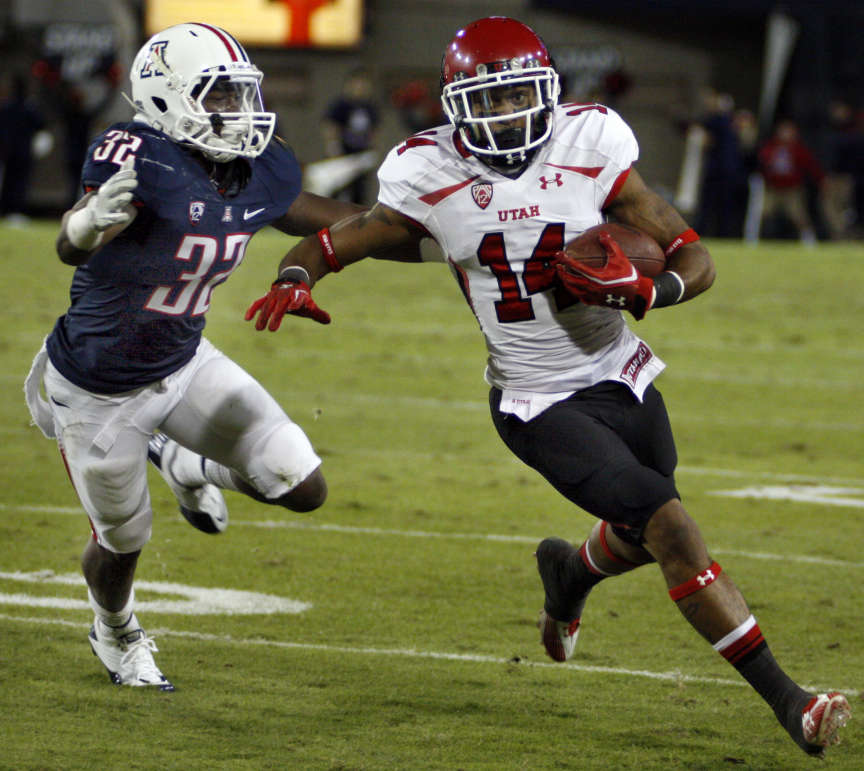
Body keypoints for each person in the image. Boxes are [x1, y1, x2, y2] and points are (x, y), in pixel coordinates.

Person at [244, 16, 851, 757]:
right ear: (457, 105)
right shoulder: (428, 172)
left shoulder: (590, 144)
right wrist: (297, 275)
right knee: (673, 529)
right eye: (489, 101)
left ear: (549, 93)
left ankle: (569, 573)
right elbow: (343, 234)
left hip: (620, 374)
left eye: (518, 97)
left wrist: (650, 291)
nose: (506, 115)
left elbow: (691, 251)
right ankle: (793, 704)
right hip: (535, 400)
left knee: (638, 531)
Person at [24, 22, 369, 691]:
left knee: (300, 483)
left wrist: (423, 225)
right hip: (97, 388)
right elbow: (75, 241)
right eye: (217, 97)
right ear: (165, 99)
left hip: (181, 361)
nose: (237, 114)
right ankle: (115, 629)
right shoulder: (137, 157)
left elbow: (322, 214)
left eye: (241, 96)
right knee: (122, 540)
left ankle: (187, 458)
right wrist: (84, 225)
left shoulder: (250, 167)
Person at [757, 118, 825, 243]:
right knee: (762, 213)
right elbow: (762, 164)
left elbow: (811, 167)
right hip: (773, 189)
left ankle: (809, 240)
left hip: (792, 190)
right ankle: (754, 240)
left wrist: (821, 181)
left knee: (799, 216)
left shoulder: (799, 150)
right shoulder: (770, 148)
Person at [322, 67, 379, 204]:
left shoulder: (369, 106)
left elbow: (375, 130)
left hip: (360, 155)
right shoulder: (341, 105)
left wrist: (374, 150)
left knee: (359, 191)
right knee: (337, 188)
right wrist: (333, 146)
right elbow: (330, 125)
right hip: (343, 154)